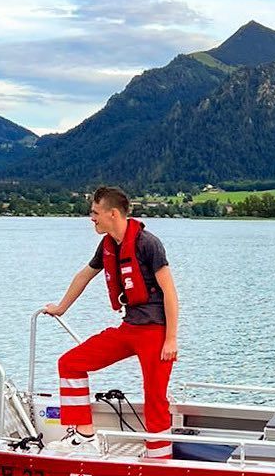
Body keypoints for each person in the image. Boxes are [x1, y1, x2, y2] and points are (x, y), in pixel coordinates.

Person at [43, 187, 179, 458]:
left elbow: (170, 293)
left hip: (155, 332)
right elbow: (84, 275)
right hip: (129, 328)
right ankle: (84, 434)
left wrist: (171, 339)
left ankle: (160, 458)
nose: (91, 218)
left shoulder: (148, 243)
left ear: (112, 213)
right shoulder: (108, 246)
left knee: (155, 397)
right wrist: (61, 308)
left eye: (95, 213)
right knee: (70, 363)